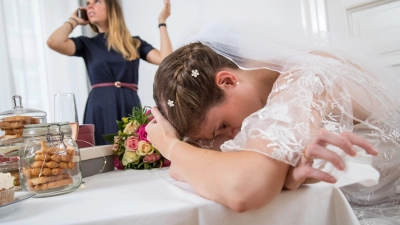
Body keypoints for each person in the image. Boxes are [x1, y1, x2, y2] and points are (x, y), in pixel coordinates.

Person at [145, 23, 400, 224]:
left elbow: (243, 187)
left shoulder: (304, 79)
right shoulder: (269, 93)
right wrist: (285, 176)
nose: (230, 136)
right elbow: (190, 166)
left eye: (222, 126)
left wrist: (171, 146)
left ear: (228, 81)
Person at [47, 0, 173, 145]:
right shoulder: (87, 44)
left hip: (128, 104)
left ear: (112, 8)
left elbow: (166, 59)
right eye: (88, 3)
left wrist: (161, 22)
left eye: (97, 2)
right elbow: (54, 42)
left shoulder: (134, 43)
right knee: (100, 155)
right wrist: (73, 20)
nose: (89, 6)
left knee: (131, 152)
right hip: (99, 107)